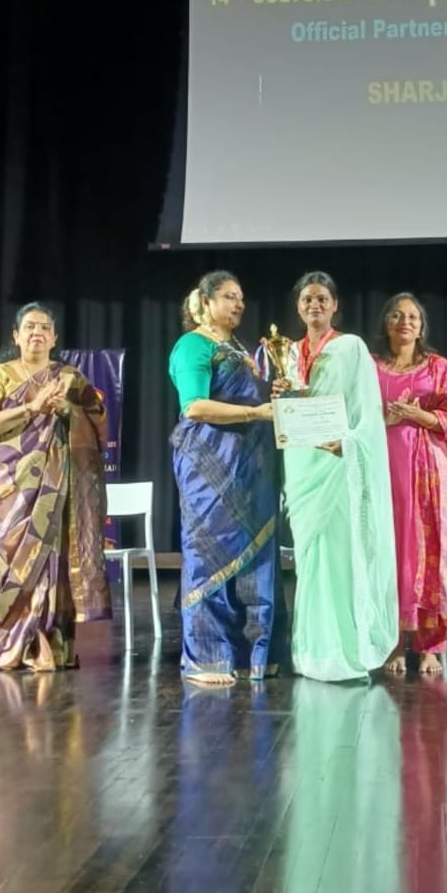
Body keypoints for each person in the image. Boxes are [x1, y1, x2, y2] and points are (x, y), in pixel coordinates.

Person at [273, 271, 397, 681]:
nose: (315, 305)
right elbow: (288, 408)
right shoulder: (287, 352)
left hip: (338, 464)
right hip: (301, 463)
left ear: (335, 305)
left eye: (323, 298)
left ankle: (344, 648)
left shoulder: (350, 348)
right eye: (308, 299)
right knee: (310, 561)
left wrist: (349, 444)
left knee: (338, 558)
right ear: (298, 307)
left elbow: (367, 410)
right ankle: (311, 649)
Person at [0, 302, 111, 671]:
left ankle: (51, 644)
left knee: (56, 563)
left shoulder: (69, 378)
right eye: (30, 327)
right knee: (11, 559)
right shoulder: (0, 374)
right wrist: (31, 407)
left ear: (54, 337)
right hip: (12, 488)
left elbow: (97, 424)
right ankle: (15, 643)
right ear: (16, 336)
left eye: (45, 328)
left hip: (57, 490)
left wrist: (68, 411)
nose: (37, 333)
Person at [169, 270, 277, 688]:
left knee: (258, 553)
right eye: (230, 297)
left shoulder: (240, 349)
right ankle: (207, 657)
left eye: (241, 298)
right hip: (209, 463)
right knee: (209, 551)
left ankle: (256, 655)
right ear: (207, 302)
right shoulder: (192, 345)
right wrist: (255, 413)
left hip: (252, 464)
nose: (239, 305)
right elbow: (194, 406)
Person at [374, 293, 447, 675]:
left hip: (428, 479)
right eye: (397, 316)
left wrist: (422, 416)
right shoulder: (370, 367)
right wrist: (381, 419)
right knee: (389, 554)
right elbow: (351, 412)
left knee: (429, 553)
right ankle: (392, 644)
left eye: (413, 317)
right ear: (386, 323)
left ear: (422, 327)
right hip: (382, 474)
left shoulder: (438, 369)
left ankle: (431, 645)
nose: (405, 322)